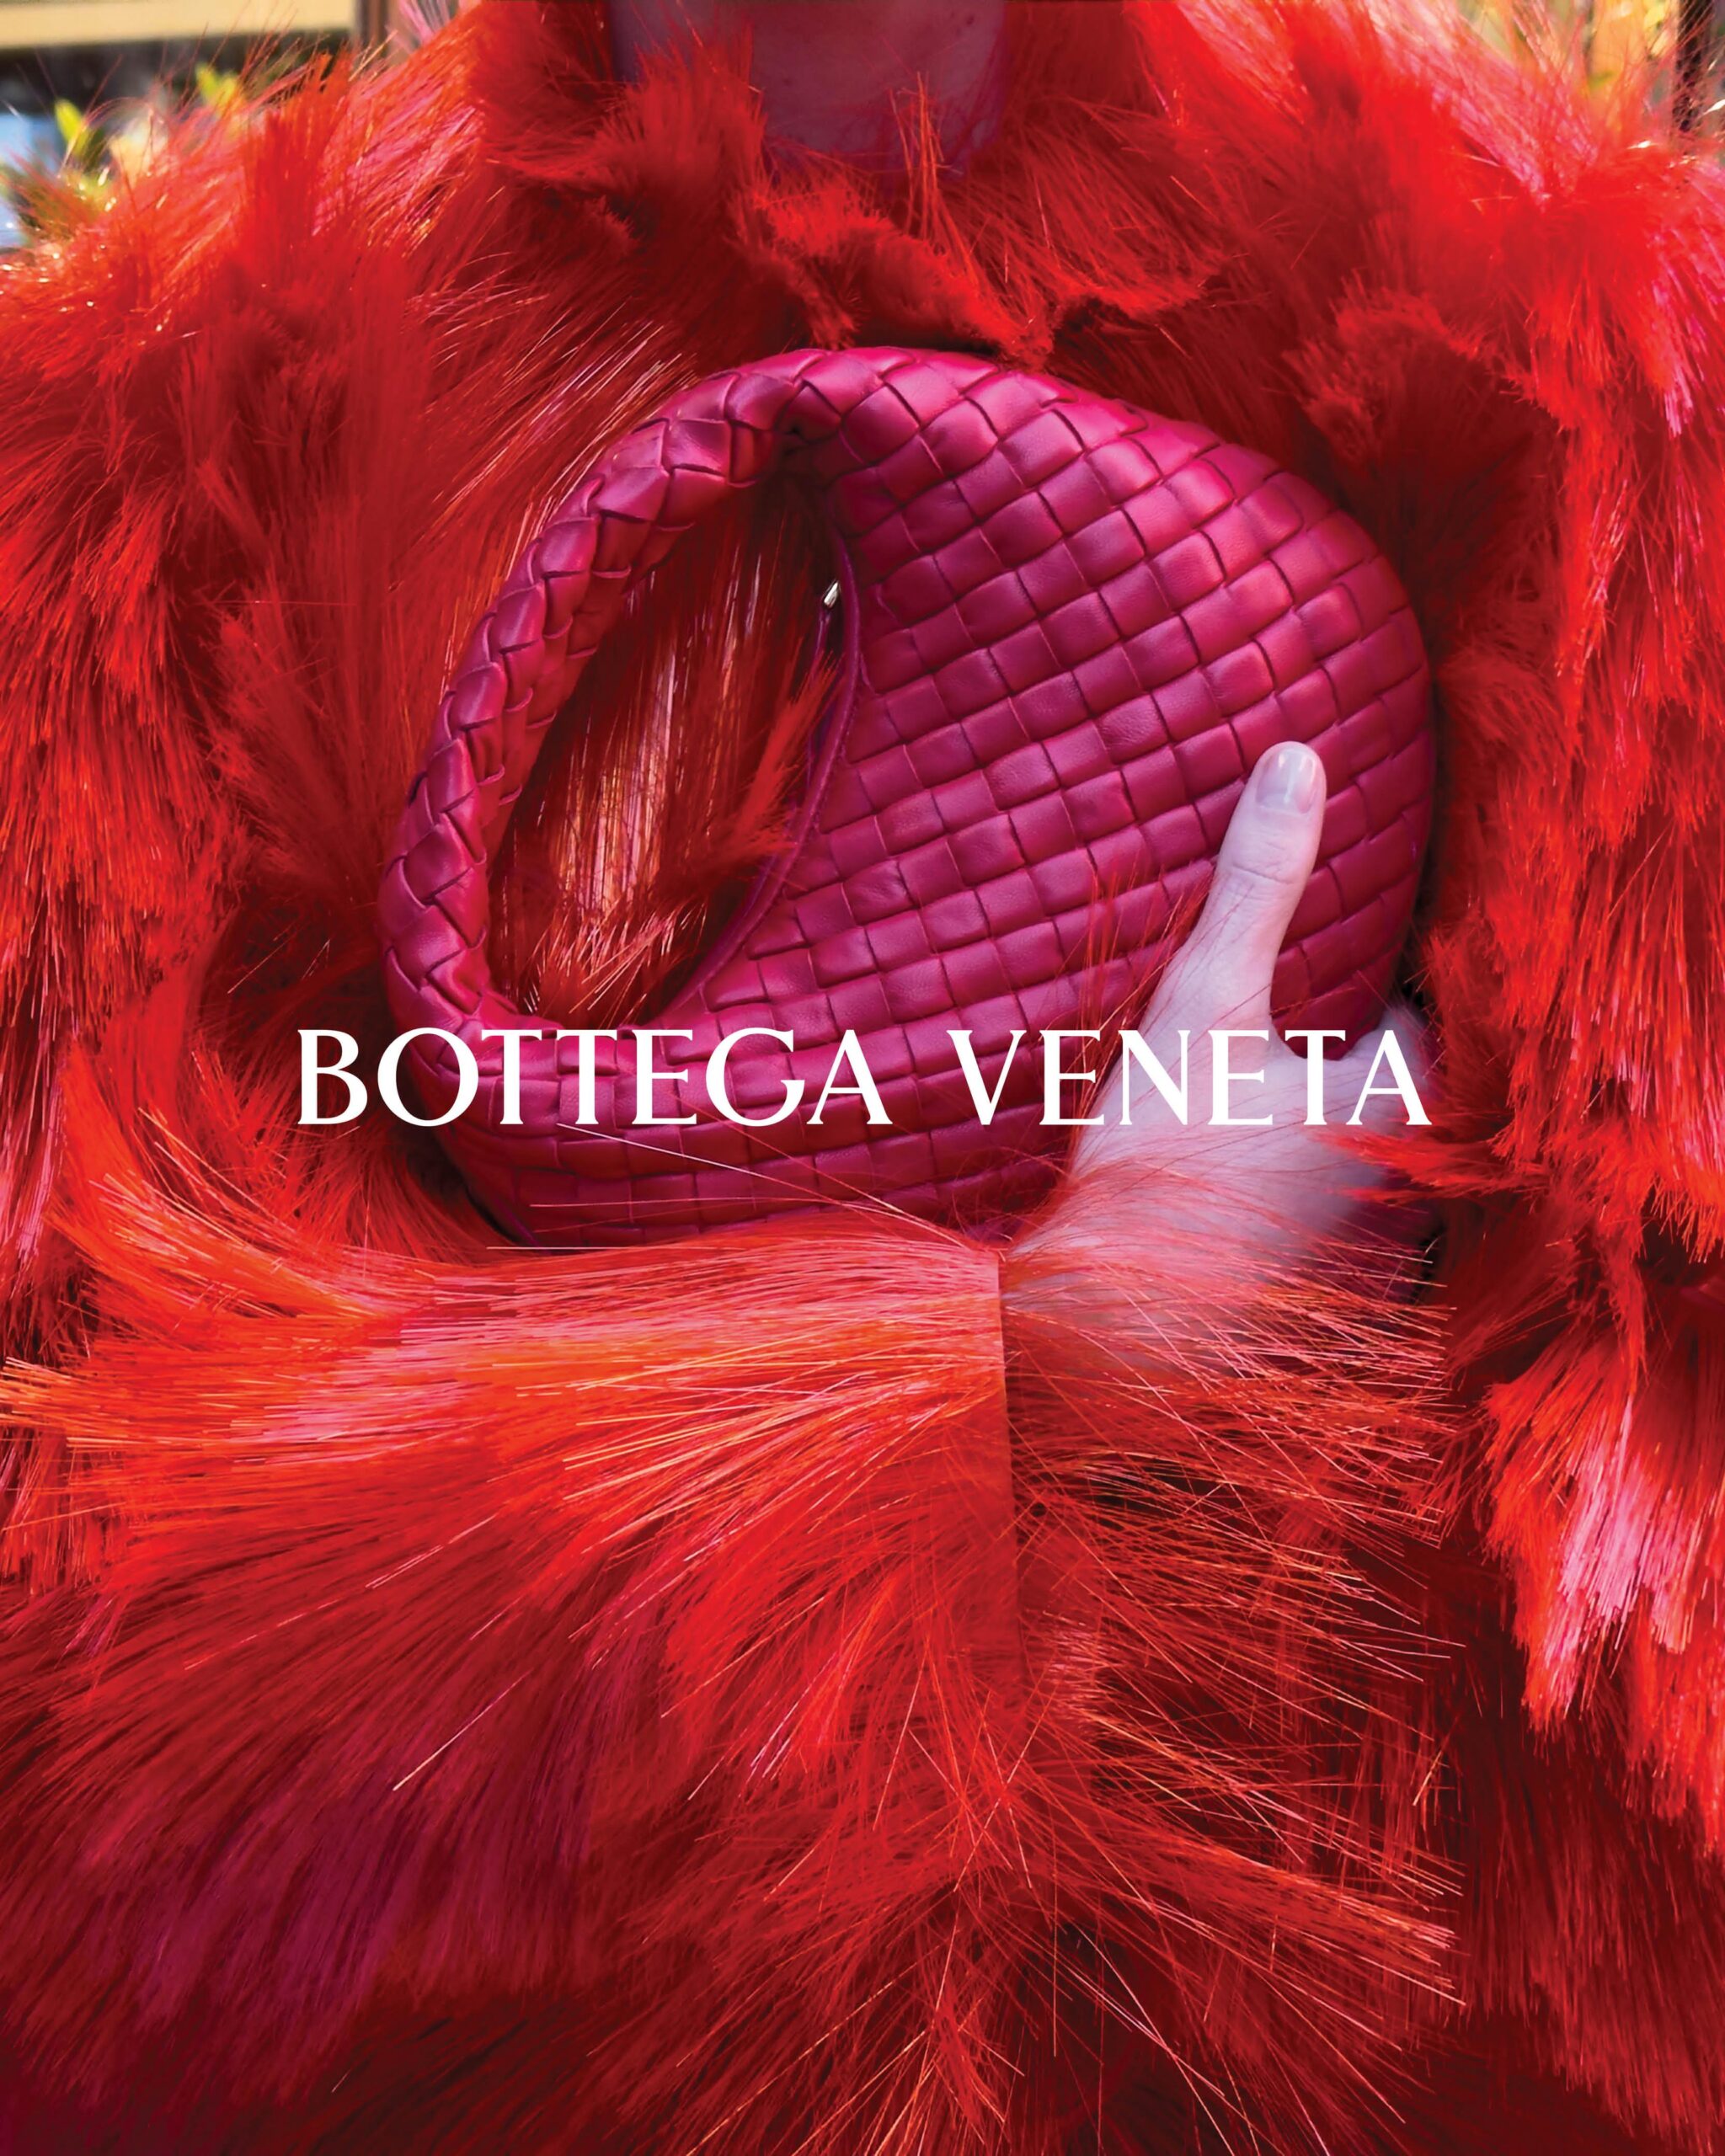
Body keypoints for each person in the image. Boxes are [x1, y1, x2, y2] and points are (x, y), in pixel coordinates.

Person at [1, 3, 1722, 2150]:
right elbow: (95, 1766)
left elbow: (1643, 1816)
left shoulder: (1588, 375)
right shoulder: (143, 448)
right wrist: (1052, 1366)